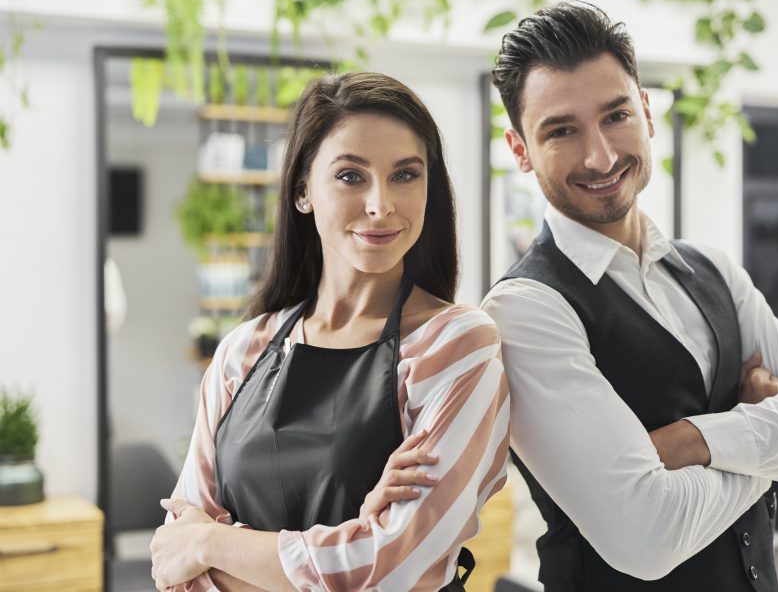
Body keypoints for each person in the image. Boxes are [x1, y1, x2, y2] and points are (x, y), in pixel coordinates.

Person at [478, 1, 778, 592]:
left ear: (647, 112)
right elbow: (647, 537)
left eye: (615, 116)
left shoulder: (715, 272)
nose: (600, 155)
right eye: (561, 130)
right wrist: (767, 432)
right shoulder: (524, 310)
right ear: (520, 149)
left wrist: (698, 440)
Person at [148, 72, 510, 591]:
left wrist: (212, 545)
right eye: (350, 176)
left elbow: (393, 571)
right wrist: (347, 545)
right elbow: (173, 567)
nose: (381, 204)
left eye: (406, 175)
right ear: (302, 191)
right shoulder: (242, 353)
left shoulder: (456, 346)